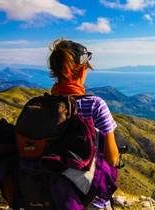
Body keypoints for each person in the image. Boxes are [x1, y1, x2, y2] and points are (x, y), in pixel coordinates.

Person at [48, 38, 119, 209]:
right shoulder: (95, 105)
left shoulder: (42, 105)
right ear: (82, 70)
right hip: (89, 199)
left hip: (50, 196)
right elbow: (112, 158)